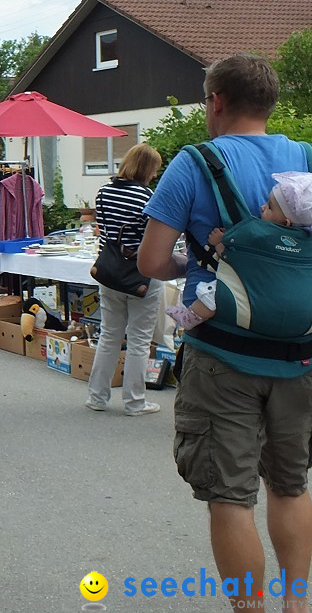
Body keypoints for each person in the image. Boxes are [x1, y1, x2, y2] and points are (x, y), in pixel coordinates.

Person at [138, 53, 312, 612]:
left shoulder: (194, 163)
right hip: (301, 354)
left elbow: (150, 261)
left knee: (230, 497)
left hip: (223, 357)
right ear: (270, 103)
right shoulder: (307, 157)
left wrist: (201, 265)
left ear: (215, 100)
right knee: (290, 486)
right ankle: (297, 604)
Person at [166, 171, 312, 329]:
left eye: (269, 206)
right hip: (289, 305)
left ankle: (190, 317)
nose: (263, 207)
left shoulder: (261, 236)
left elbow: (236, 262)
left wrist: (218, 243)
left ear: (286, 222)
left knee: (213, 294)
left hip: (251, 298)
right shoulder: (305, 243)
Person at [84, 142, 164, 416]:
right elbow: (152, 239)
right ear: (147, 169)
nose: (155, 174)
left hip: (109, 272)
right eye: (154, 169)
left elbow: (103, 231)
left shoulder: (104, 191)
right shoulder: (148, 197)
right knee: (139, 340)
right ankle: (134, 402)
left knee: (109, 335)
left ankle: (96, 397)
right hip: (140, 275)